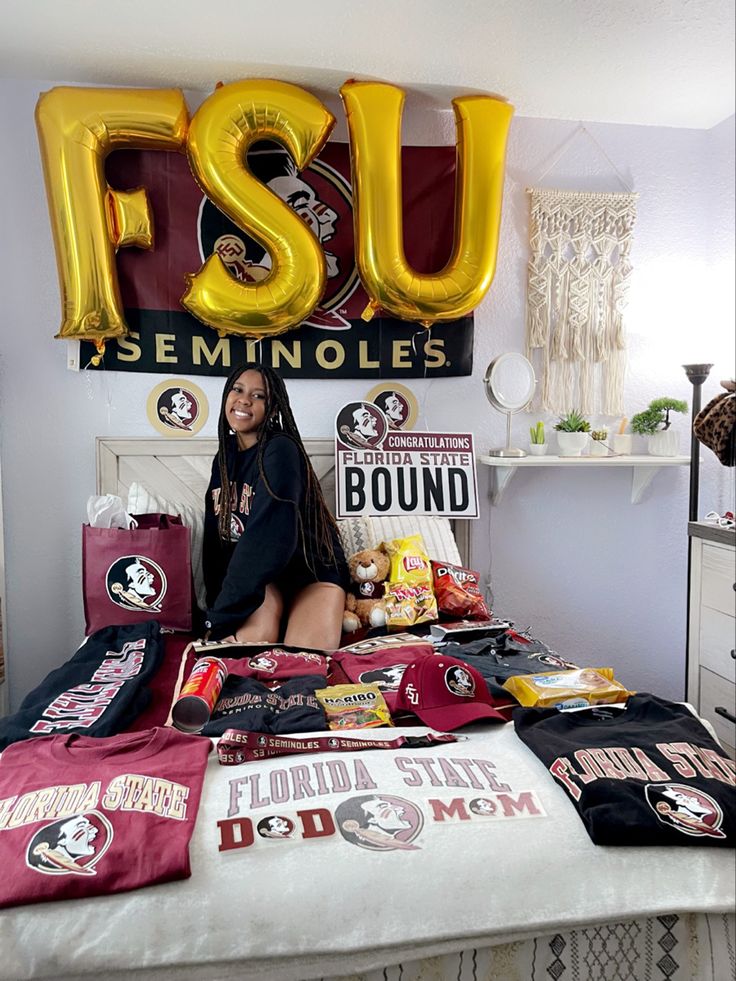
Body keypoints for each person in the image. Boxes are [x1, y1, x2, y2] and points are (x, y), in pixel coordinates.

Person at [202, 363, 348, 649]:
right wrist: (216, 612)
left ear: (273, 407)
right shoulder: (225, 456)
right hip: (267, 581)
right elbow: (216, 540)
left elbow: (268, 539)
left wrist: (223, 614)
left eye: (259, 396)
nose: (244, 400)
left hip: (311, 575)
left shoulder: (280, 449)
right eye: (238, 389)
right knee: (245, 648)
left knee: (304, 660)